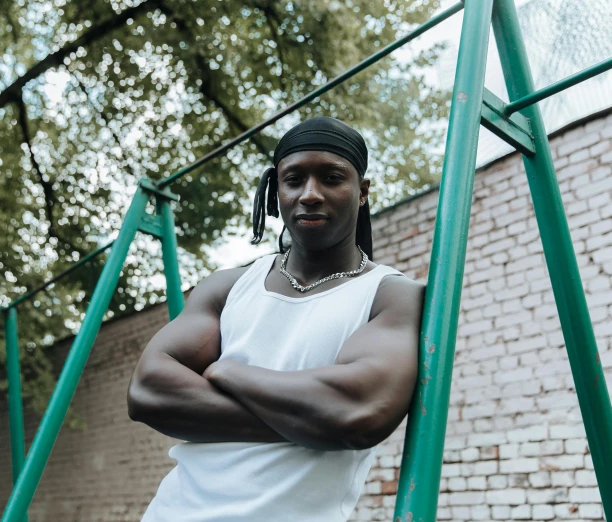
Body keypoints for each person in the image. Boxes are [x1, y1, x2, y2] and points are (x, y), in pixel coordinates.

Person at [127, 116, 424, 522]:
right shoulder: (227, 287)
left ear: (362, 192)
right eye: (294, 179)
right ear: (276, 191)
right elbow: (147, 392)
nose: (310, 194)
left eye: (332, 178)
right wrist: (310, 426)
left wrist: (229, 372)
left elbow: (357, 413)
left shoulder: (389, 295)